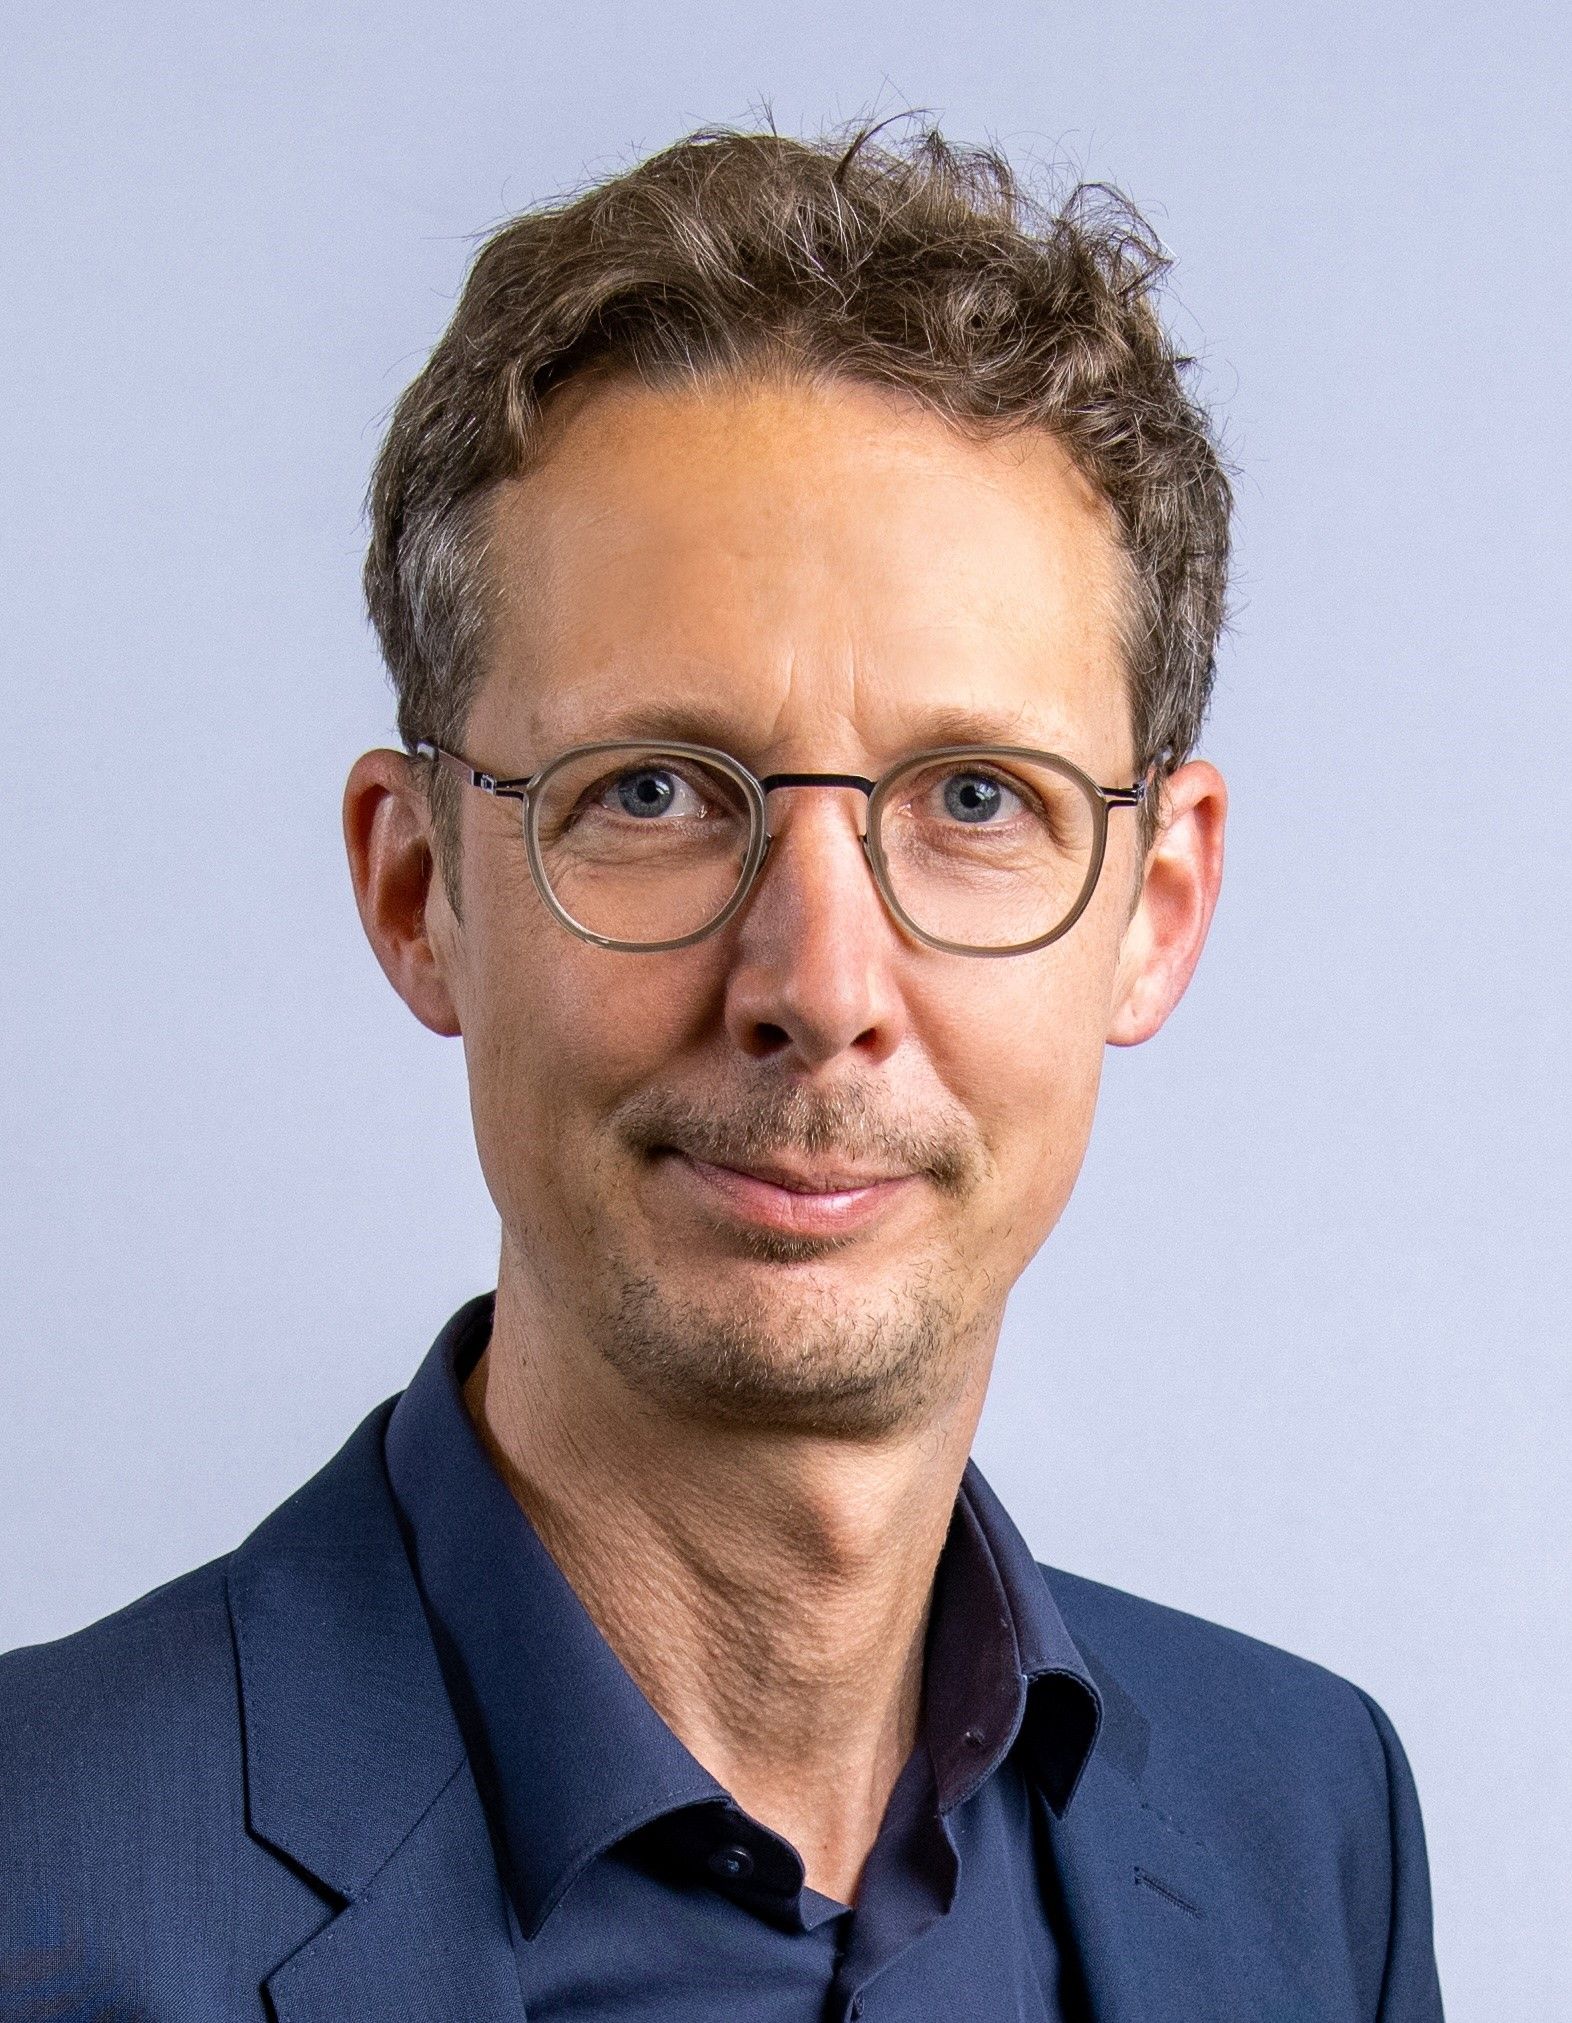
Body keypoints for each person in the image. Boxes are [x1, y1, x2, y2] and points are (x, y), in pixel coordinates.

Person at [0, 120, 1445, 2019]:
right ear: (420, 890)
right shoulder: (36, 1875)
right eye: (656, 793)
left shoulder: (1313, 1833)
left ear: (1156, 910)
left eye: (977, 799)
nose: (819, 987)